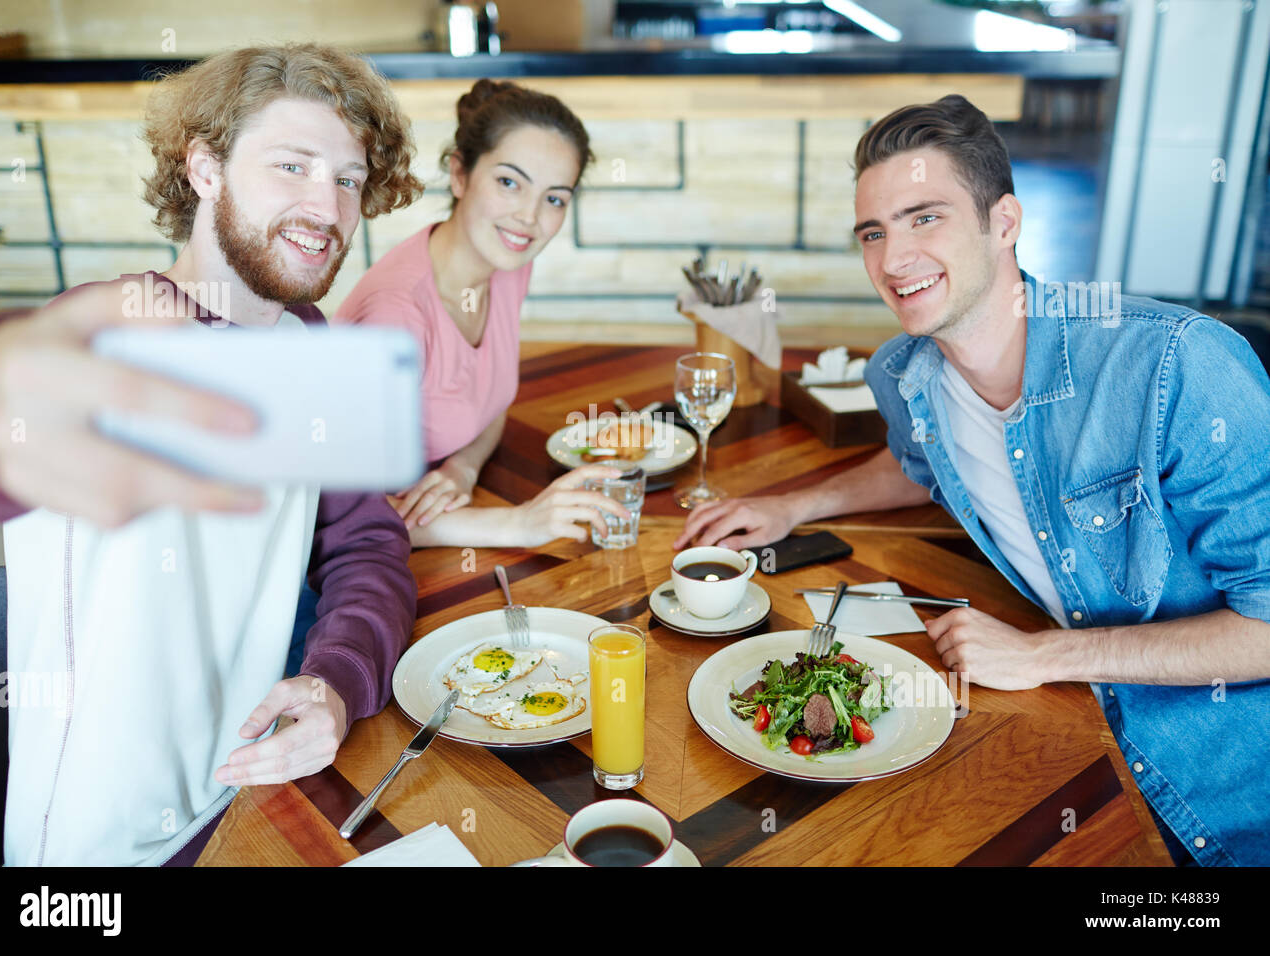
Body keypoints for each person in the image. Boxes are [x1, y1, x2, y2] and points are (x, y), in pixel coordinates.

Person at [674, 94, 1270, 866]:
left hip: (1219, 800)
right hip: (1054, 736)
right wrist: (794, 502)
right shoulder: (903, 373)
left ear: (1005, 222)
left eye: (926, 218)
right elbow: (921, 462)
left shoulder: (1177, 366)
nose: (893, 260)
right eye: (874, 233)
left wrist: (1042, 656)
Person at [0, 43, 423, 866]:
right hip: (98, 856)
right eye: (292, 165)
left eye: (349, 178)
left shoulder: (307, 346)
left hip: (250, 797)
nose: (326, 205)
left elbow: (368, 545)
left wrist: (336, 683)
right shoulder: (113, 333)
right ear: (206, 169)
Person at [334, 78, 630, 547]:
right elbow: (338, 517)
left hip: (455, 512)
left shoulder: (506, 264)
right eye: (509, 183)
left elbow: (491, 394)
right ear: (459, 174)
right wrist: (520, 524)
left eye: (554, 198)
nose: (529, 217)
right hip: (368, 561)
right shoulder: (396, 318)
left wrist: (463, 467)